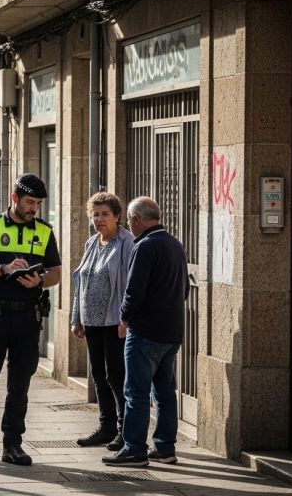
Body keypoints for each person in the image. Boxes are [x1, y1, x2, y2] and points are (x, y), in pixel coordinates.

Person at [0, 173, 62, 468]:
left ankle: (12, 444)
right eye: (30, 202)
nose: (34, 209)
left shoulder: (44, 230)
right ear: (15, 198)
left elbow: (56, 272)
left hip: (26, 318)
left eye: (39, 204)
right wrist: (4, 268)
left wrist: (39, 281)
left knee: (20, 386)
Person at [102, 196, 188, 468]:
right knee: (164, 392)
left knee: (135, 392)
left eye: (129, 220)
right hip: (171, 332)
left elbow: (134, 291)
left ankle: (134, 449)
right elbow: (184, 290)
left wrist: (124, 319)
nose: (129, 225)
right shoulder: (175, 244)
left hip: (146, 332)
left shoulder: (145, 246)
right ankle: (165, 447)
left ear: (137, 220)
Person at [71, 192, 134, 451]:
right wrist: (77, 318)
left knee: (116, 376)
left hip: (114, 321)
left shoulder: (126, 242)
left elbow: (132, 284)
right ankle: (106, 426)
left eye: (105, 214)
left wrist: (126, 318)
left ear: (117, 216)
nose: (99, 219)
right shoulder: (91, 243)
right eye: (95, 214)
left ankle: (124, 430)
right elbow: (80, 284)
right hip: (92, 322)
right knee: (98, 374)